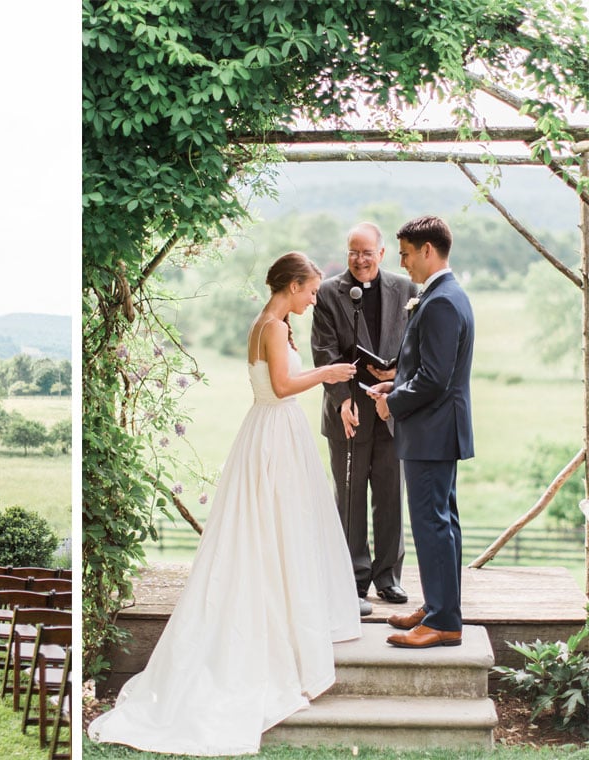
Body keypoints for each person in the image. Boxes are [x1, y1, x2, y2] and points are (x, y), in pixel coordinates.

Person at [88, 252, 361, 756]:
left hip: (268, 430)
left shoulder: (266, 322)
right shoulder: (274, 327)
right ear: (292, 285)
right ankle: (280, 629)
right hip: (275, 431)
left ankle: (287, 610)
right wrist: (327, 374)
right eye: (310, 291)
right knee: (281, 530)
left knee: (275, 532)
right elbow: (281, 387)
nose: (312, 299)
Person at [367, 216, 474, 649]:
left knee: (433, 524)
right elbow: (427, 369)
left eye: (407, 254)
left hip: (432, 431)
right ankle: (436, 607)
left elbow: (435, 380)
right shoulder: (442, 295)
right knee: (440, 523)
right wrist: (397, 380)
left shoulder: (443, 301)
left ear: (428, 250)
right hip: (435, 429)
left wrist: (391, 402)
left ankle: (444, 621)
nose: (404, 263)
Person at [311, 222, 418, 608]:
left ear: (382, 253)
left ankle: (388, 577)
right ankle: (352, 578)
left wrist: (397, 375)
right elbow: (323, 352)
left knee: (391, 496)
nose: (359, 259)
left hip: (391, 410)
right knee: (350, 498)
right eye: (353, 252)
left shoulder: (406, 290)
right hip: (347, 412)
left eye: (367, 252)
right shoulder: (327, 293)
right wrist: (342, 399)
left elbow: (416, 348)